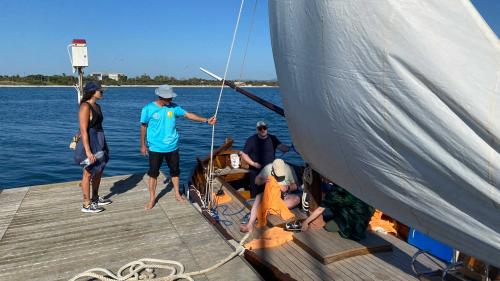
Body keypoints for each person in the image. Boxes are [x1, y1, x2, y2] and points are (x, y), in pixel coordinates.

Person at [140, 85, 216, 210]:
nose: (170, 100)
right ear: (161, 97)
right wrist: (142, 145)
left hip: (172, 147)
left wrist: (206, 120)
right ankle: (152, 199)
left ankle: (177, 193)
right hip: (155, 148)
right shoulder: (148, 109)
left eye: (171, 98)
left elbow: (189, 115)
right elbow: (143, 127)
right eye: (168, 98)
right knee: (153, 174)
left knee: (175, 171)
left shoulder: (174, 107)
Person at [77, 81, 111, 213]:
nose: (102, 93)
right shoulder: (85, 107)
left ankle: (95, 198)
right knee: (88, 171)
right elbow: (84, 130)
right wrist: (88, 151)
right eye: (100, 91)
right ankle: (86, 204)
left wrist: (103, 144)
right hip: (90, 140)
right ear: (92, 91)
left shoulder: (97, 106)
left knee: (99, 169)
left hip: (100, 139)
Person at [240, 159, 301, 233]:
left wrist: (288, 187)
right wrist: (264, 181)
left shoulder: (288, 169)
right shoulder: (268, 168)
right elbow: (257, 181)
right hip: (269, 194)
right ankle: (250, 224)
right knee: (259, 197)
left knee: (296, 199)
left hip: (284, 195)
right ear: (272, 169)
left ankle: (264, 211)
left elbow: (296, 185)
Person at [301, 182, 374, 241]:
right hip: (364, 217)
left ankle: (345, 225)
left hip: (353, 224)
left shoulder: (335, 193)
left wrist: (306, 222)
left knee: (328, 227)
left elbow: (320, 210)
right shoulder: (352, 184)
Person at [239, 121, 290, 198]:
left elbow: (281, 147)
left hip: (270, 172)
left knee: (270, 193)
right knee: (256, 195)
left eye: (264, 128)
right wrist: (254, 164)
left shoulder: (273, 138)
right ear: (257, 130)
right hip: (256, 172)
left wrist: (289, 147)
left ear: (267, 128)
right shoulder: (251, 140)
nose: (263, 130)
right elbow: (244, 154)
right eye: (260, 128)